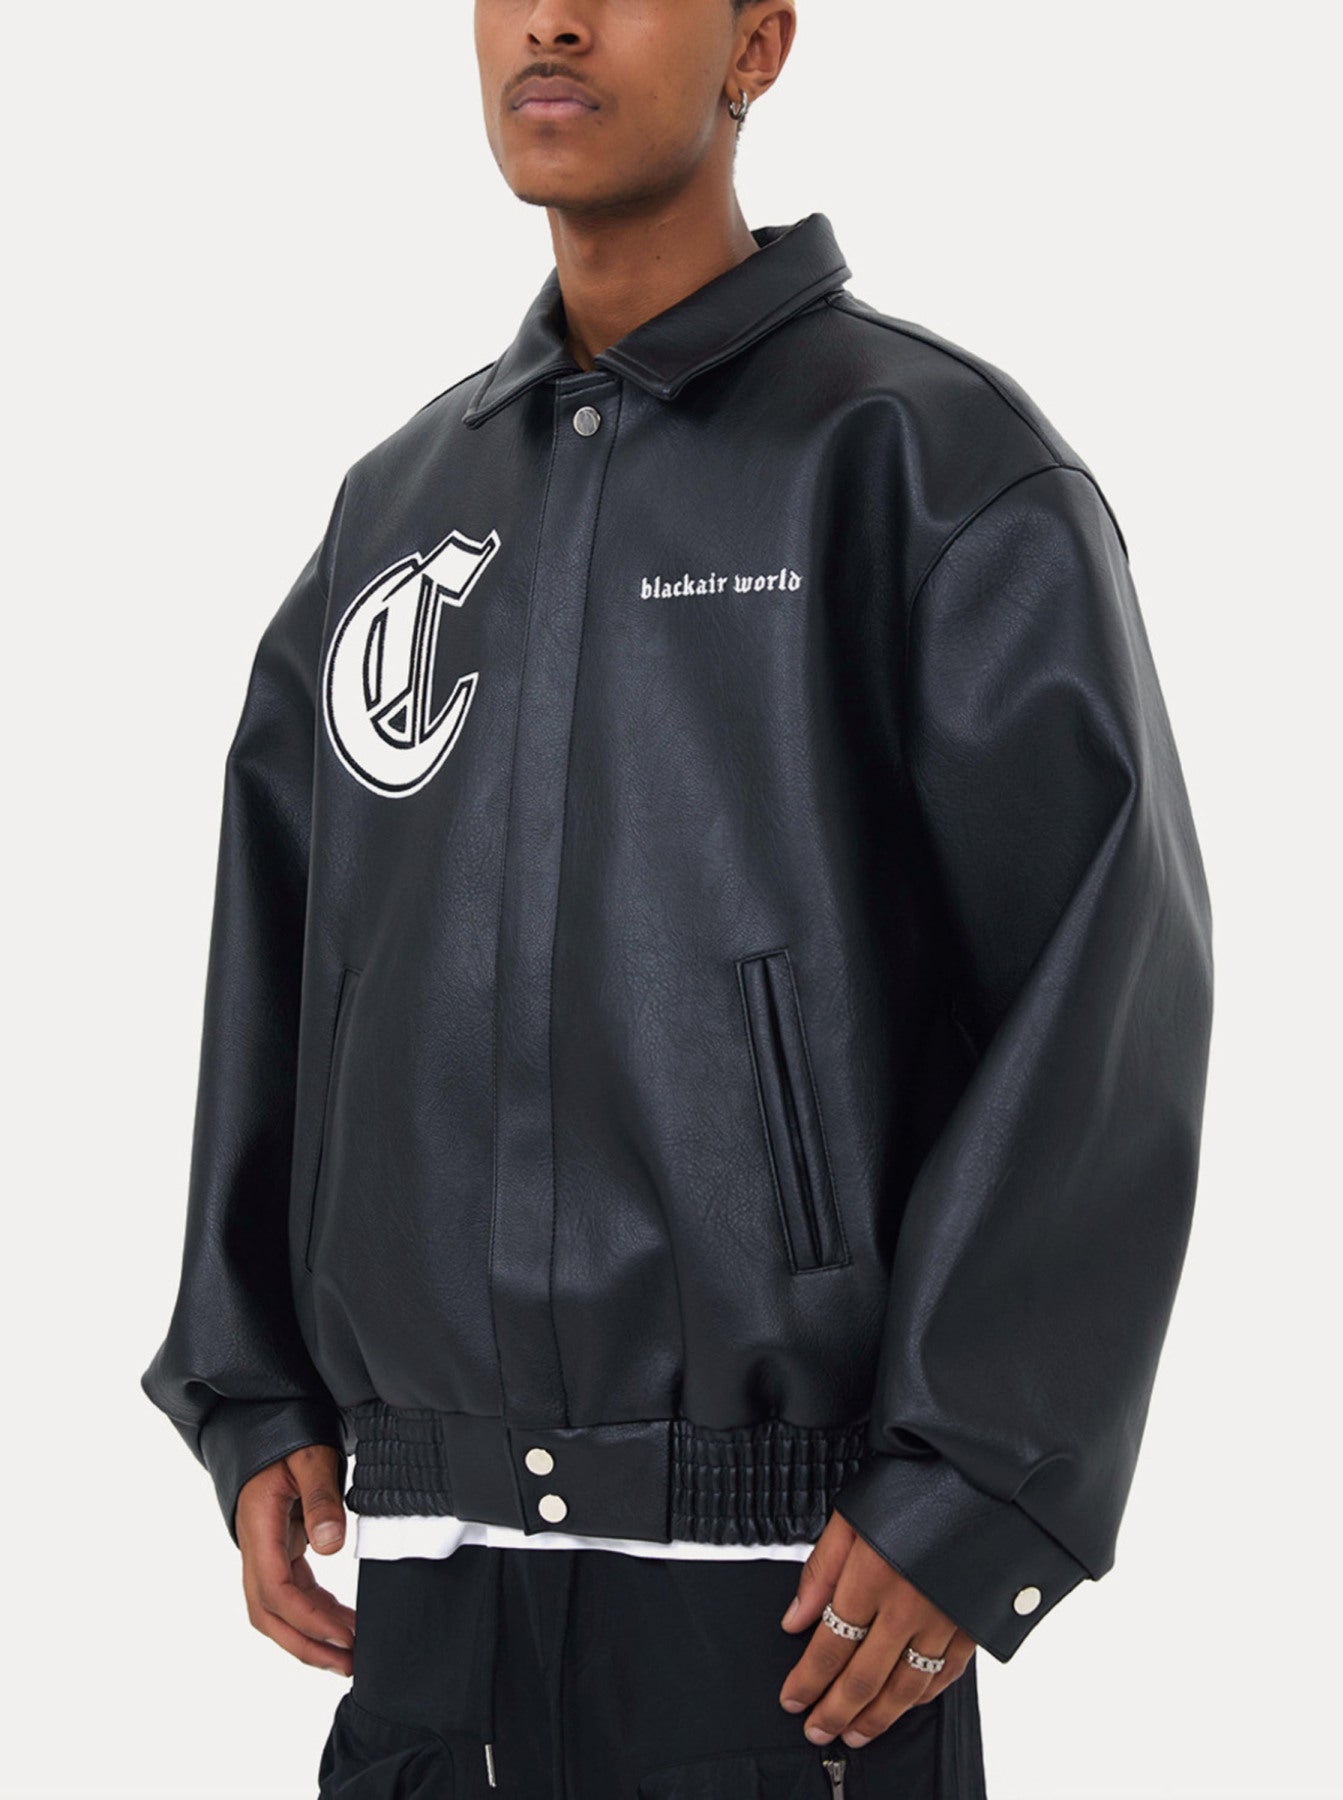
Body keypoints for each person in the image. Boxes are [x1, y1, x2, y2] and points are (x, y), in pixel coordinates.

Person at [139, 3, 1215, 1796]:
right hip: (429, 1618)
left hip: (791, 1630)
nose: (549, 20)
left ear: (757, 43)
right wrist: (250, 1390)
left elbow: (1104, 985)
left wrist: (975, 1484)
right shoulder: (400, 508)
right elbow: (284, 956)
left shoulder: (926, 466)